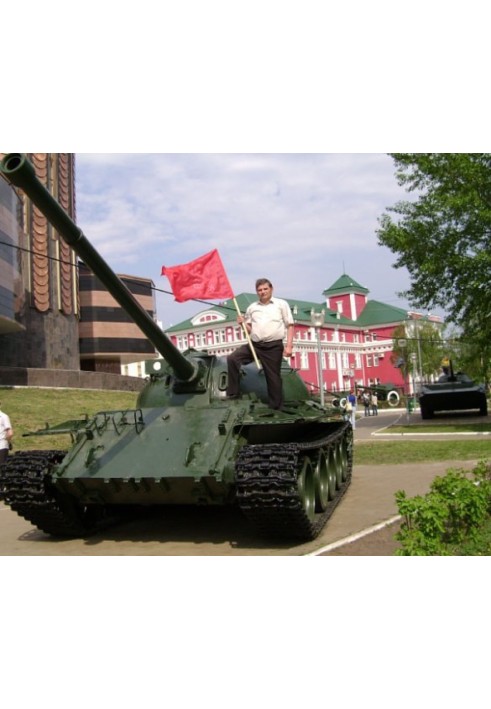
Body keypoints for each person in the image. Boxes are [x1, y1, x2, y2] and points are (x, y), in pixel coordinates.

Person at [226, 278, 294, 410]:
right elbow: (250, 330)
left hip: (273, 346)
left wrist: (289, 346)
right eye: (259, 290)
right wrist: (242, 324)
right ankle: (233, 393)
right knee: (232, 358)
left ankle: (276, 406)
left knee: (273, 376)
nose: (262, 292)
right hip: (255, 345)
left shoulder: (281, 304)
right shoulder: (252, 307)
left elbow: (290, 325)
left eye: (265, 289)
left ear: (271, 289)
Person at [0, 401, 13, 466]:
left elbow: (10, 433)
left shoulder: (3, 417)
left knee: (2, 468)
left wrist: (8, 442)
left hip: (2, 446)